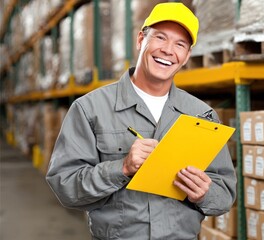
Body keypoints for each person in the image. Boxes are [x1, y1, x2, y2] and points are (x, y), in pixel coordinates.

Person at [46, 2, 237, 239]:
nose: (168, 50)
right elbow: (65, 185)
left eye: (180, 44)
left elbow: (226, 194)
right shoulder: (90, 109)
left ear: (187, 56)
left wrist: (204, 193)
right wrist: (122, 167)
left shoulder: (202, 115)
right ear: (140, 40)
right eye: (160, 38)